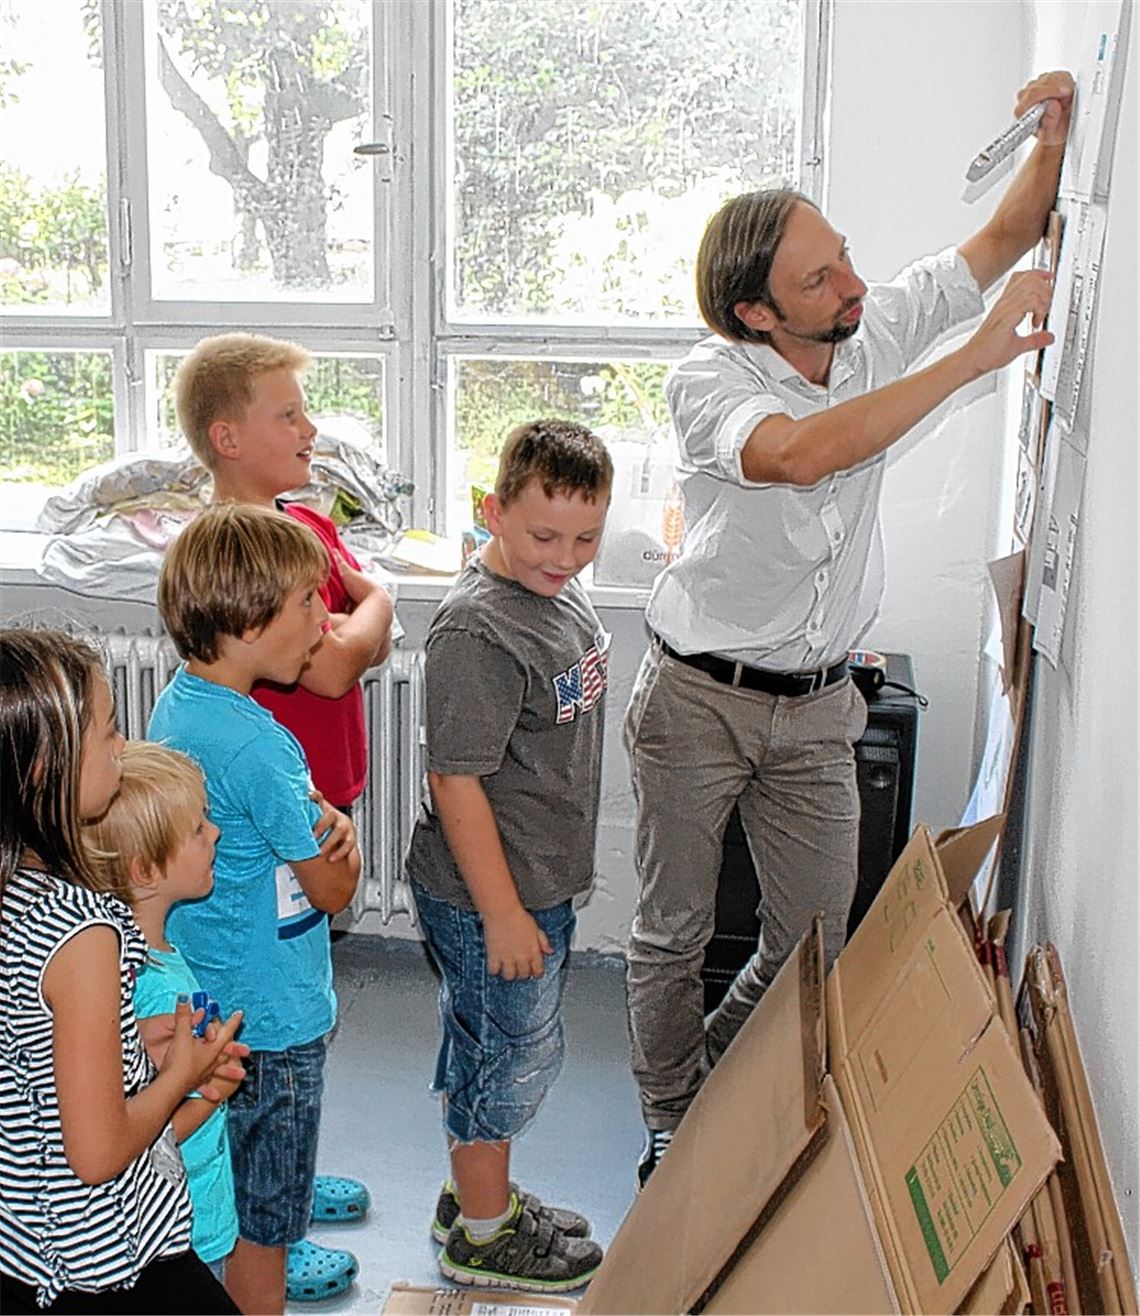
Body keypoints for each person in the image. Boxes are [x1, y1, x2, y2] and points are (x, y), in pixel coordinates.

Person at [625, 70, 1075, 1187]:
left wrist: (1058, 130)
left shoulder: (872, 325)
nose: (853, 281)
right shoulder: (709, 380)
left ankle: (720, 1081)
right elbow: (799, 452)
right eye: (819, 276)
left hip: (822, 703)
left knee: (812, 938)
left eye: (845, 253)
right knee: (673, 935)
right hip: (697, 699)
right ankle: (670, 1124)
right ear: (756, 315)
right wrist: (971, 360)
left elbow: (1010, 228)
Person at [173, 332, 390, 1237]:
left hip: (302, 799)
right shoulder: (251, 554)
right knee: (275, 1001)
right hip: (278, 811)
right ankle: (271, 1220)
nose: (310, 428)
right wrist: (376, 605)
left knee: (292, 982)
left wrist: (366, 607)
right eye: (289, 412)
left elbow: (352, 627)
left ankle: (285, 1174)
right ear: (227, 437)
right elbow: (341, 661)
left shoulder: (303, 529)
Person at [404, 419, 612, 1293]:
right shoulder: (480, 635)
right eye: (543, 535)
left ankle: (474, 1193)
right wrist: (503, 914)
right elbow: (455, 781)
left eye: (586, 537)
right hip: (495, 896)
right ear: (492, 511)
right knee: (508, 1056)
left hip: (534, 884)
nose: (565, 555)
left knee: (484, 1039)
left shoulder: (552, 592)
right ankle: (484, 1236)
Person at [147, 503, 363, 1315]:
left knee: (223, 1194)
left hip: (210, 995)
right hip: (273, 1016)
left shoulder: (181, 709)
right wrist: (344, 839)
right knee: (263, 1227)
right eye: (307, 601)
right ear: (245, 623)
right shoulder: (261, 746)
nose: (323, 615)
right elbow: (336, 887)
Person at [0, 628, 245, 1315]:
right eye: (109, 734)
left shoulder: (14, 885)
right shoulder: (83, 932)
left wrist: (135, 1039)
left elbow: (29, 1052)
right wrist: (182, 1076)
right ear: (48, 766)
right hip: (96, 1263)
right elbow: (100, 1152)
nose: (120, 746)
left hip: (21, 1246)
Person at [85, 742, 241, 1295]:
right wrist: (210, 1091)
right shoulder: (149, 987)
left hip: (199, 1199)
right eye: (198, 828)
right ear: (146, 870)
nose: (214, 834)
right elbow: (148, 1136)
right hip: (180, 1223)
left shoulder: (151, 952)